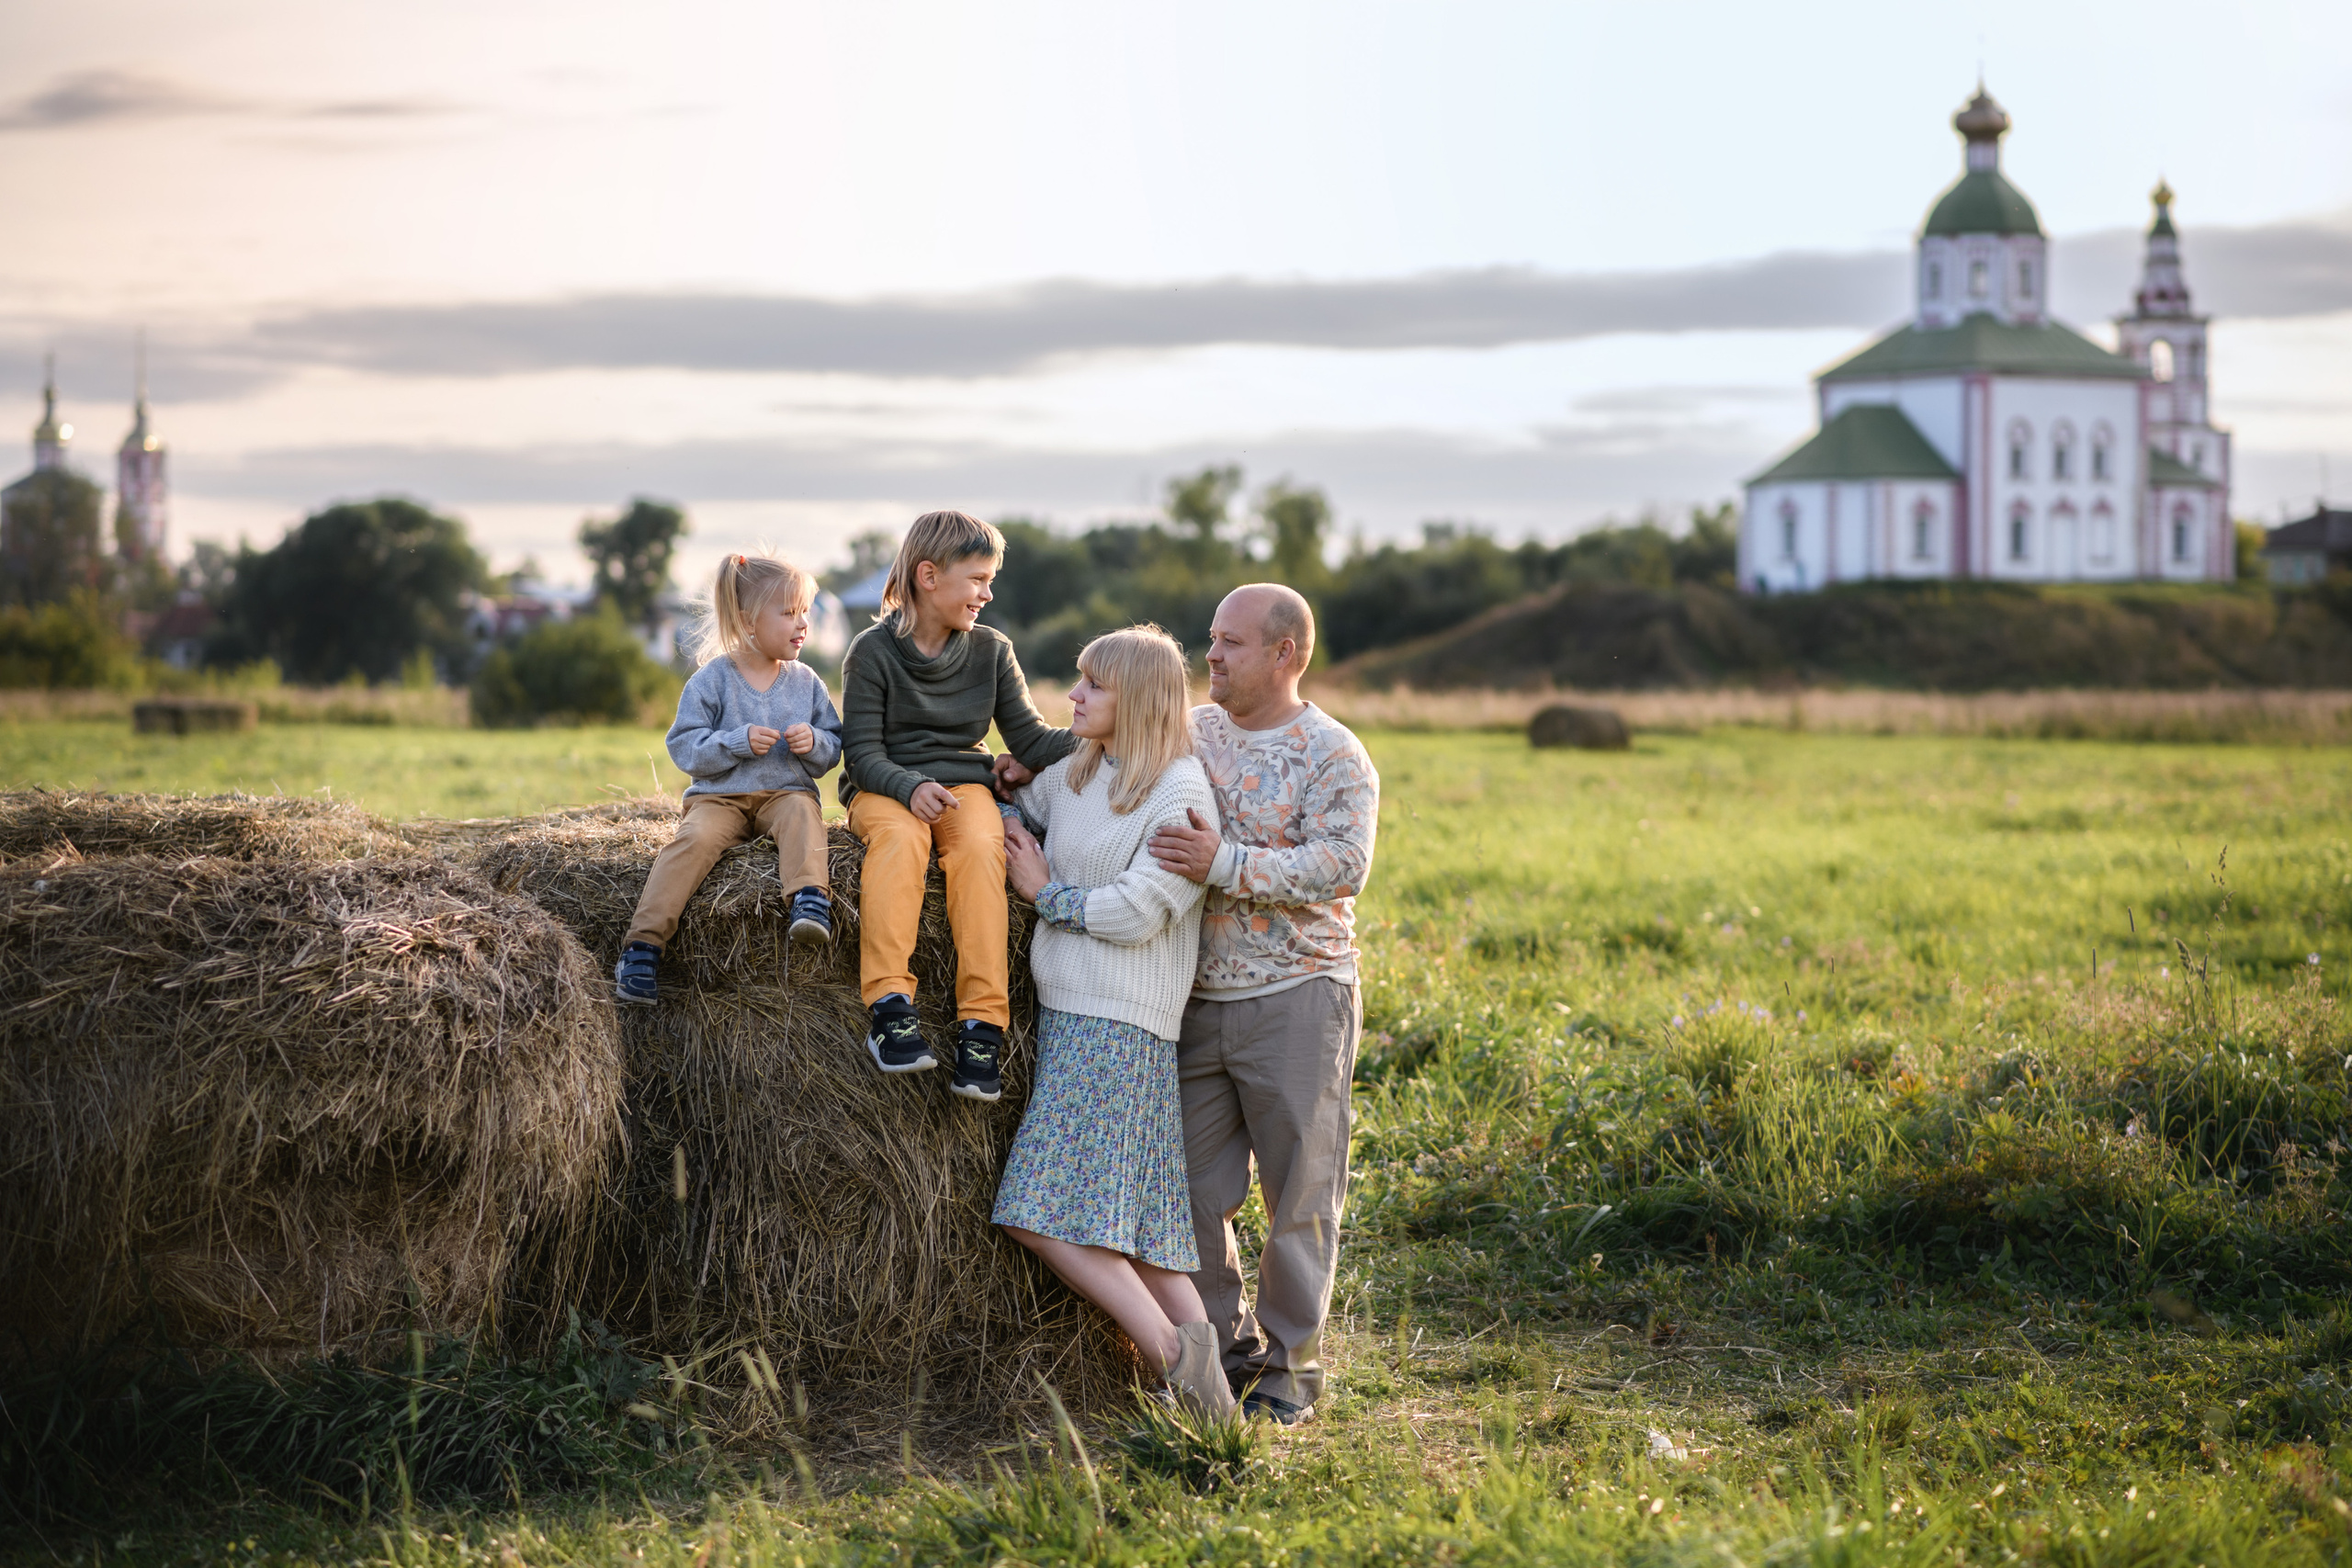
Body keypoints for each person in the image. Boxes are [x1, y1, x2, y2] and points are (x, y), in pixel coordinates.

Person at [1147, 584, 1378, 1426]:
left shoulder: (1334, 753)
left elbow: (1343, 865)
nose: (1210, 655)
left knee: (1298, 1195)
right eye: (1210, 638)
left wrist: (1225, 863)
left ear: (1285, 654)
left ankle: (1289, 1372)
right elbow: (1117, 755)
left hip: (1299, 997)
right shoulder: (1194, 729)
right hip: (1196, 998)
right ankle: (1225, 1350)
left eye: (1231, 643)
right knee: (1187, 1189)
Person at [992, 625, 1234, 1421]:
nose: (1074, 697)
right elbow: (1011, 803)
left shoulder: (1178, 791)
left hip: (1120, 1025)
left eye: (1093, 685)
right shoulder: (1080, 769)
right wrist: (998, 780)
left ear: (1139, 697)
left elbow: (1136, 912)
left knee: (1035, 1213)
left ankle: (1170, 1355)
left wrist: (1041, 892)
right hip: (1072, 1012)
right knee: (1140, 1228)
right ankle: (1216, 1405)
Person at [838, 510, 1074, 1101]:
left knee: (979, 845)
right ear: (928, 576)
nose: (986, 594)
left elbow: (1031, 740)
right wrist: (908, 787)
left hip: (965, 788)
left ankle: (982, 1028)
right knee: (903, 840)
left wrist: (1112, 731)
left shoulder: (992, 650)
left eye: (990, 580)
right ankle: (890, 1005)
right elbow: (862, 753)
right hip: (882, 789)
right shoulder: (871, 652)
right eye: (977, 579)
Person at [615, 550, 842, 1006]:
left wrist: (813, 741)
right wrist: (735, 742)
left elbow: (833, 747)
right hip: (720, 798)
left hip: (785, 792)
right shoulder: (711, 680)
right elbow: (684, 748)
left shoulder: (808, 681)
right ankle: (642, 946)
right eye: (788, 613)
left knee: (803, 813)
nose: (802, 625)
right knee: (692, 841)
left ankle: (810, 900)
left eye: (805, 614)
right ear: (748, 620)